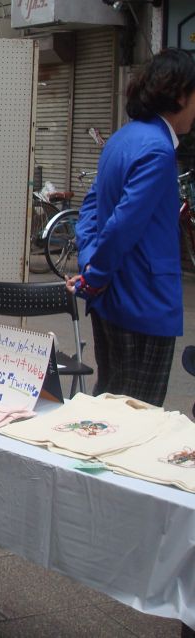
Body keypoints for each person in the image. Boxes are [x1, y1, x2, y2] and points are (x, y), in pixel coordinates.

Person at [68, 48, 195, 407]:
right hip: (144, 301)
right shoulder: (159, 150)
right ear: (181, 95)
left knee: (109, 400)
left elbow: (90, 209)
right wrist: (96, 275)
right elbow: (123, 224)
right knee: (138, 411)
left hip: (111, 299)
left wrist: (91, 266)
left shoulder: (122, 139)